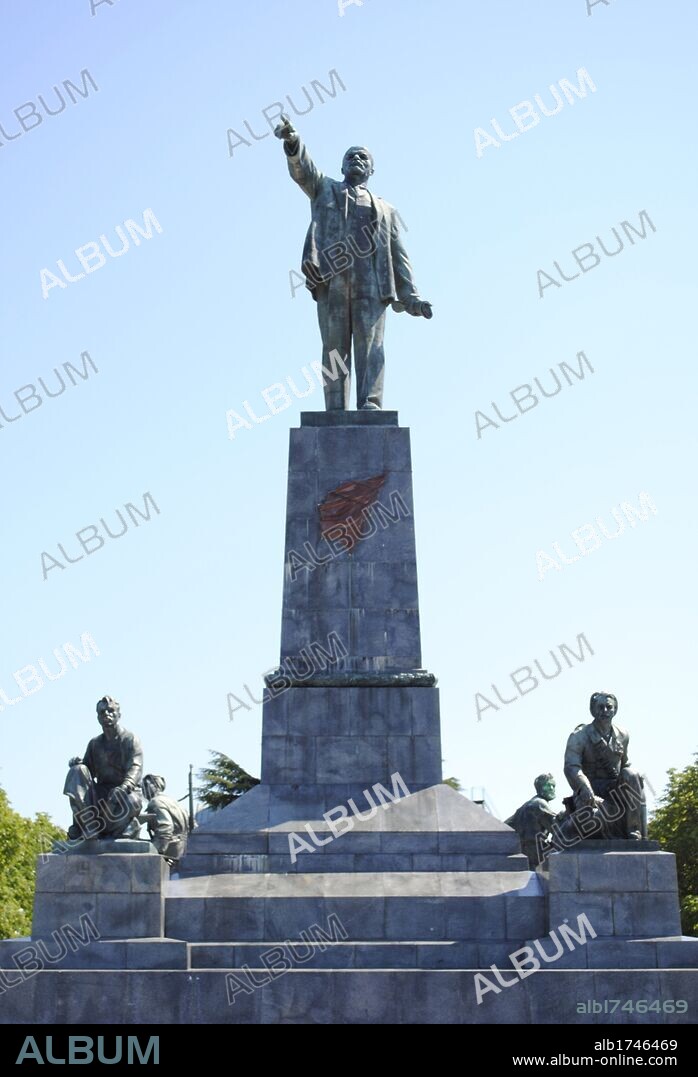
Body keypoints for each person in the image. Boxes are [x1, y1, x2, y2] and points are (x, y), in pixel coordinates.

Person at [275, 115, 432, 410]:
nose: (356, 159)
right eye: (350, 157)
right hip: (333, 280)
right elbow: (304, 171)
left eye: (363, 157)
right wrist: (293, 142)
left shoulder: (386, 210)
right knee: (334, 349)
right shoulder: (325, 189)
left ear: (371, 169)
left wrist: (411, 297)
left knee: (371, 348)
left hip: (372, 285)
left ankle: (370, 402)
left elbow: (399, 256)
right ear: (342, 167)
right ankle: (335, 407)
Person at [561, 691, 646, 841]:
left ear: (615, 710)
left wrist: (636, 780)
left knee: (632, 774)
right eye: (600, 707)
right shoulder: (579, 735)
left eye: (609, 707)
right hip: (590, 791)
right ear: (592, 710)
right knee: (592, 820)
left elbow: (625, 764)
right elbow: (571, 767)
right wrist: (584, 787)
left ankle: (633, 830)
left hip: (615, 789)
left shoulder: (623, 734)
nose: (605, 711)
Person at [63, 696, 143, 840]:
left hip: (125, 792)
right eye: (102, 712)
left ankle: (127, 826)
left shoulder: (130, 739)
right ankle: (89, 825)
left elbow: (135, 767)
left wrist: (124, 787)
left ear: (119, 715)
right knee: (76, 771)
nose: (106, 714)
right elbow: (87, 771)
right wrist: (78, 764)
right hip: (101, 793)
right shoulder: (95, 744)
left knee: (131, 802)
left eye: (111, 711)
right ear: (98, 717)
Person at [505, 774, 562, 868]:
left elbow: (505, 826)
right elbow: (558, 830)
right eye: (548, 785)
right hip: (536, 851)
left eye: (553, 785)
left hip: (522, 851)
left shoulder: (525, 806)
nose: (551, 788)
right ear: (539, 788)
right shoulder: (540, 804)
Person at [141, 774, 189, 866]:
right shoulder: (175, 802)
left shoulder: (156, 802)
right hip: (182, 851)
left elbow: (165, 828)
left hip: (169, 853)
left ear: (155, 786)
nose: (143, 791)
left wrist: (155, 853)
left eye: (145, 787)